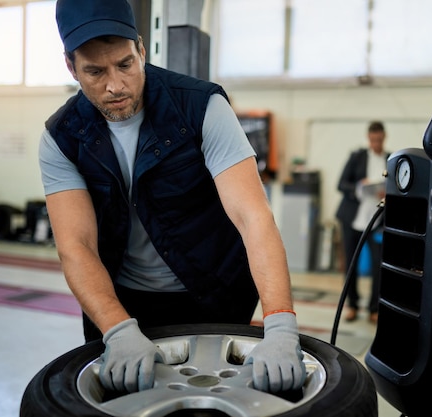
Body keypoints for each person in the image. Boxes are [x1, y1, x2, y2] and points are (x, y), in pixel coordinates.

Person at [39, 0, 305, 395]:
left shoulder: (202, 108)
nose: (115, 85)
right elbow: (76, 247)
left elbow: (253, 216)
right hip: (121, 301)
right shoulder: (60, 137)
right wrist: (116, 328)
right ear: (70, 66)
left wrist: (280, 323)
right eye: (95, 71)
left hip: (212, 293)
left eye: (125, 64)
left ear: (142, 51)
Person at [335, 121, 389, 324]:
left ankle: (374, 308)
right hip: (352, 218)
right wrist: (360, 186)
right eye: (373, 139)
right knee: (351, 264)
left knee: (378, 265)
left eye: (379, 139)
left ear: (384, 137)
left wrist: (387, 191)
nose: (376, 143)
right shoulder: (356, 157)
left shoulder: (390, 159)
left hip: (377, 221)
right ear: (369, 138)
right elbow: (341, 184)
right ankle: (353, 305)